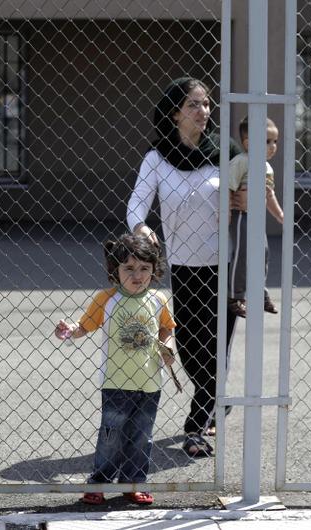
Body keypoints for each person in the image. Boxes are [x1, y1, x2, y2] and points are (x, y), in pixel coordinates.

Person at [126, 77, 240, 457]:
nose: (203, 112)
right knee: (191, 347)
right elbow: (136, 204)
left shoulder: (225, 151)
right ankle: (213, 398)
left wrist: (244, 198)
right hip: (185, 267)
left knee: (216, 346)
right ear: (175, 112)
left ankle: (196, 425)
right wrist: (142, 228)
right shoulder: (157, 158)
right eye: (194, 104)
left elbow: (254, 187)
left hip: (225, 264)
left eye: (207, 104)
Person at [55, 233, 177, 506]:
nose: (138, 275)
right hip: (116, 382)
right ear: (115, 270)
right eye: (129, 269)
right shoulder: (106, 299)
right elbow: (84, 326)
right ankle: (99, 482)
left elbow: (167, 328)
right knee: (111, 436)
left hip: (149, 383)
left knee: (142, 437)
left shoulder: (158, 299)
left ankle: (133, 483)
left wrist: (168, 348)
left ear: (154, 270)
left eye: (145, 268)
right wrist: (70, 330)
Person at [227, 116, 285, 317]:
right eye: (267, 141)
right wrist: (226, 212)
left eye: (275, 141)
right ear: (248, 143)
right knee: (242, 253)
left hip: (258, 219)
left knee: (263, 253)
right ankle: (235, 295)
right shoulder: (241, 162)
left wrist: (280, 215)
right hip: (242, 216)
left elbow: (269, 194)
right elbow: (229, 187)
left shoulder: (268, 168)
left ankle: (260, 292)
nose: (272, 146)